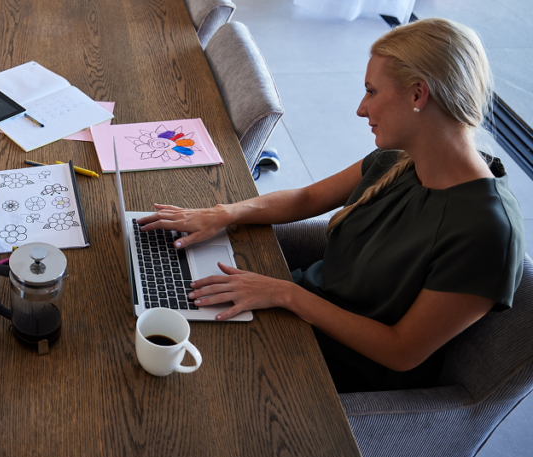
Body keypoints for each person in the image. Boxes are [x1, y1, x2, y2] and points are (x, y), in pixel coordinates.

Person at [137, 18, 525, 393]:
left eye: (372, 91)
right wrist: (225, 213)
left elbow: (401, 350)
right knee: (152, 306)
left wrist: (285, 294)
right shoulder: (400, 160)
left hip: (339, 366)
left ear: (418, 94)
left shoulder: (486, 231)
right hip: (300, 313)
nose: (361, 108)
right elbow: (307, 198)